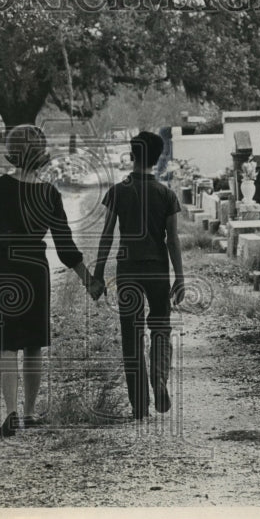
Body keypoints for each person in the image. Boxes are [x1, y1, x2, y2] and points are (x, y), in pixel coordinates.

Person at [0, 124, 101, 438]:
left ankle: (11, 412)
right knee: (32, 344)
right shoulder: (49, 192)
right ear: (42, 154)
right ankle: (30, 412)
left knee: (7, 344)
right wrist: (89, 281)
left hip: (2, 266)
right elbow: (65, 246)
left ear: (13, 152)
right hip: (34, 268)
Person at [91, 131, 185, 419]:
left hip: (128, 270)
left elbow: (107, 234)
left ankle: (139, 404)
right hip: (158, 270)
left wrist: (97, 274)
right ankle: (159, 378)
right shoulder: (166, 194)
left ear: (131, 156)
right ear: (157, 160)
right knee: (160, 327)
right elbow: (172, 239)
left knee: (132, 335)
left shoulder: (118, 191)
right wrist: (180, 276)